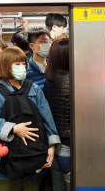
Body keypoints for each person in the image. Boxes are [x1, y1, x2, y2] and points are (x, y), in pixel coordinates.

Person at [0, 47, 60, 191]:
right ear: (5, 65)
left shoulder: (33, 89)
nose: (21, 67)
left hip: (34, 156)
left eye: (23, 63)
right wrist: (14, 129)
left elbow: (47, 118)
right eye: (17, 64)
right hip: (4, 160)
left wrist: (52, 145)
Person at [43, 38, 70, 190]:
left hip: (54, 143)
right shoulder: (77, 80)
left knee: (57, 185)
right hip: (71, 142)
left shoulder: (49, 80)